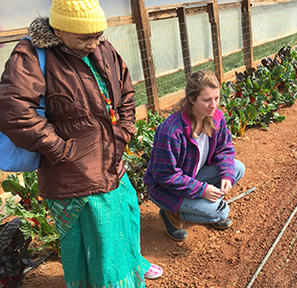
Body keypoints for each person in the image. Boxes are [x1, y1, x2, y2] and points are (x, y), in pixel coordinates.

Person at [0, 0, 163, 286]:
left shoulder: (103, 48)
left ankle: (130, 274)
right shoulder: (32, 55)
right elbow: (14, 111)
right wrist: (60, 149)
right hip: (73, 174)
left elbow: (126, 91)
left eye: (98, 34)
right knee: (94, 248)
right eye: (86, 37)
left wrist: (125, 129)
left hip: (112, 162)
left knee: (124, 224)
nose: (94, 43)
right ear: (60, 31)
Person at [144, 70, 245, 241]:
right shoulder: (171, 132)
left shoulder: (216, 118)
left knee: (236, 168)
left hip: (192, 175)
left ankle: (200, 208)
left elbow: (225, 149)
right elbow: (165, 176)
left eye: (217, 98)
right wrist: (202, 190)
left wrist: (226, 175)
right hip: (165, 188)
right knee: (220, 212)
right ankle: (171, 214)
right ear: (192, 99)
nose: (213, 105)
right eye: (207, 100)